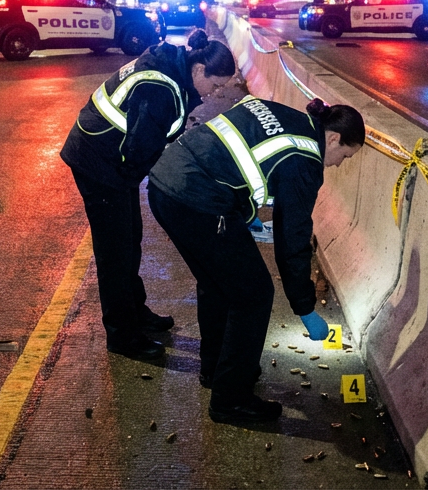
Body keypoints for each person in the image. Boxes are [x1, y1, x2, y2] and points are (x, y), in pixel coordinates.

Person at [147, 95, 365, 422]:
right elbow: (293, 239)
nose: (337, 164)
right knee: (254, 295)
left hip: (166, 183)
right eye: (345, 156)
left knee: (217, 283)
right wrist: (304, 307)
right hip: (198, 199)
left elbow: (236, 157)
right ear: (333, 138)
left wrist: (245, 213)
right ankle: (231, 401)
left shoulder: (284, 113)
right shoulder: (305, 159)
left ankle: (218, 369)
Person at [60, 29, 237, 361]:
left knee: (131, 239)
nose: (214, 94)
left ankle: (135, 312)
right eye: (215, 85)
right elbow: (141, 151)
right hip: (98, 162)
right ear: (199, 69)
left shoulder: (172, 69)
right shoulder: (160, 89)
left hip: (113, 160)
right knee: (115, 252)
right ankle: (122, 335)